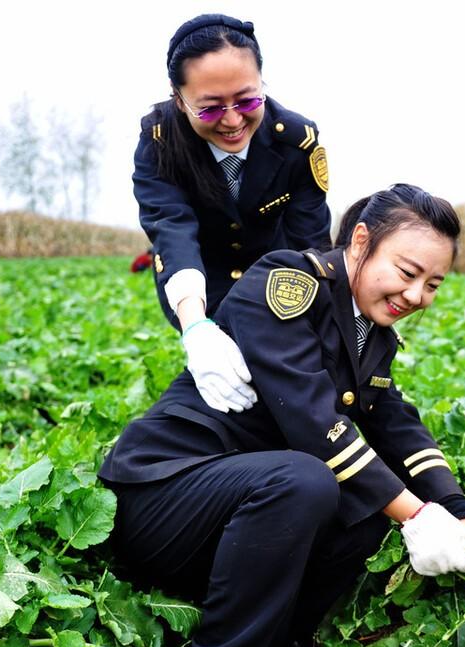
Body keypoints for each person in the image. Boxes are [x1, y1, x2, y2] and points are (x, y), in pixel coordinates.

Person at [98, 184, 465, 647]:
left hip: (236, 516)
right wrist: (415, 513)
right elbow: (313, 419)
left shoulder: (372, 335)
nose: (417, 295)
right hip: (162, 497)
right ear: (361, 242)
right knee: (312, 480)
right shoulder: (286, 285)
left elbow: (398, 427)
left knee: (364, 503)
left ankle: (281, 631)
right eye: (407, 272)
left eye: (433, 284)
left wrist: (458, 515)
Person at [133, 12, 332, 414]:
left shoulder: (296, 142)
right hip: (202, 279)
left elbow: (312, 244)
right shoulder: (160, 141)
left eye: (247, 100)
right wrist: (196, 328)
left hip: (274, 271)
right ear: (179, 99)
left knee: (279, 383)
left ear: (262, 82)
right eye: (209, 108)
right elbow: (172, 229)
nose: (232, 120)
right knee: (217, 382)